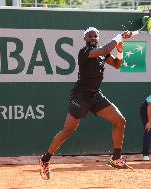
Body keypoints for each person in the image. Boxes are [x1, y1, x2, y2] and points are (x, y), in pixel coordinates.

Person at [39, 27, 133, 180]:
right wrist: (118, 37)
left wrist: (120, 50)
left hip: (95, 95)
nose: (93, 38)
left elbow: (117, 64)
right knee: (68, 130)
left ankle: (116, 159)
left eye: (95, 36)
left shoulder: (102, 53)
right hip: (80, 96)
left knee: (120, 121)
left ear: (98, 38)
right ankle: (45, 159)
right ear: (85, 39)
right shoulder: (85, 52)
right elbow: (103, 50)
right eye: (90, 36)